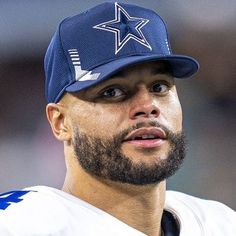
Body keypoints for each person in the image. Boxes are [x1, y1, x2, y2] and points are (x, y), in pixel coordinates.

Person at [0, 2, 235, 236]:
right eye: (112, 92)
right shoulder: (18, 225)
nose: (148, 106)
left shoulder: (221, 223)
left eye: (159, 86)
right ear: (60, 122)